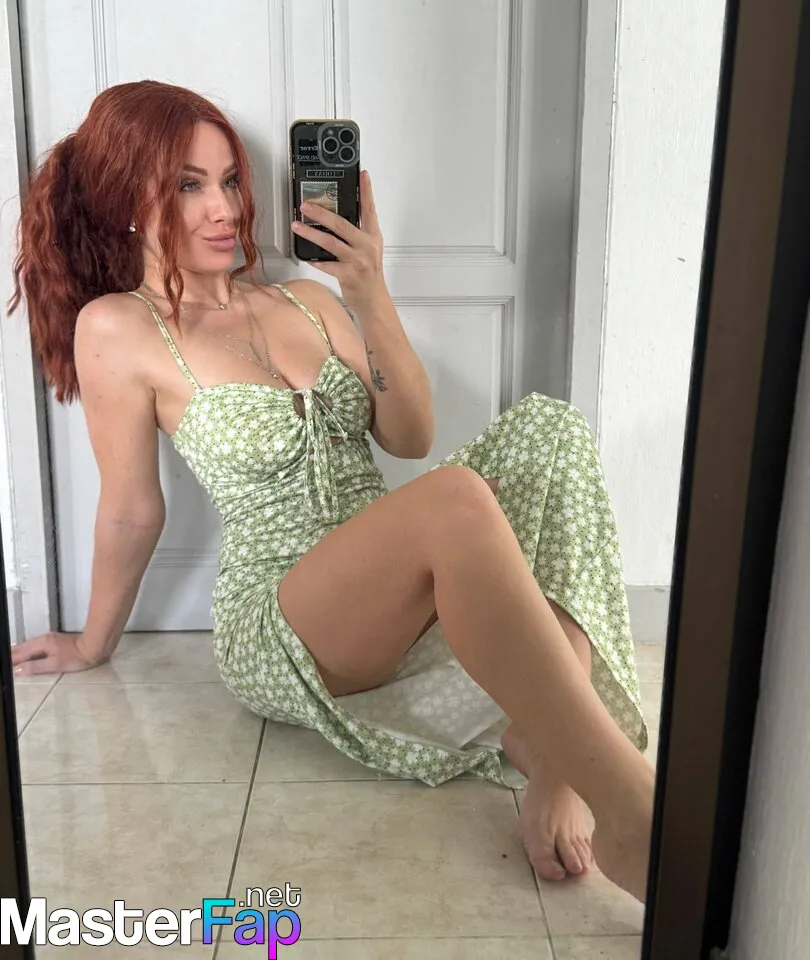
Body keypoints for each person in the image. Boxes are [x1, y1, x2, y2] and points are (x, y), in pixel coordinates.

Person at [7, 80, 655, 901]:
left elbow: (409, 436)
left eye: (230, 180)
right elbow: (132, 508)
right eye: (188, 185)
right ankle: (633, 809)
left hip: (390, 574)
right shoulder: (119, 327)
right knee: (456, 498)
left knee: (551, 431)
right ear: (126, 199)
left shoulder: (306, 300)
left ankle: (554, 759)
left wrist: (368, 289)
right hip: (282, 615)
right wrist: (93, 643)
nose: (224, 209)